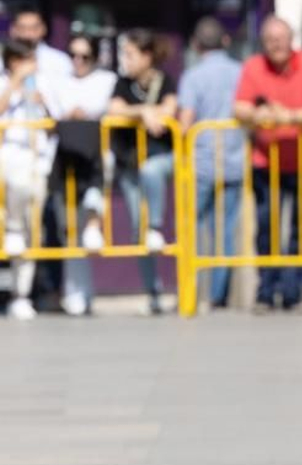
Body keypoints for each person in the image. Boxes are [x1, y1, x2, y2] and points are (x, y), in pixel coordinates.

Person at [232, 16, 302, 313]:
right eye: (270, 39)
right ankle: (266, 291)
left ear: (291, 39)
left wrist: (288, 117)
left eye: (281, 38)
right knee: (266, 229)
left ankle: (294, 292)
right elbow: (239, 107)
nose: (276, 44)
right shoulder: (253, 67)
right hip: (266, 163)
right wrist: (257, 115)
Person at [40, 33, 116, 316]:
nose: (77, 61)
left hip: (94, 161)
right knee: (69, 231)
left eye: (84, 56)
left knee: (88, 225)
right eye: (73, 54)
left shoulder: (106, 80)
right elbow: (59, 110)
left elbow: (97, 107)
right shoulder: (59, 82)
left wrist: (80, 113)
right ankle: (77, 294)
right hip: (64, 162)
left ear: (95, 57)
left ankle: (95, 218)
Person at [107, 29, 178, 315]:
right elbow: (114, 110)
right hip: (129, 164)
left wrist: (143, 111)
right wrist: (144, 112)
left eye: (130, 54)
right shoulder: (122, 83)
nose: (126, 60)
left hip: (160, 159)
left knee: (151, 171)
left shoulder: (166, 80)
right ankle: (153, 291)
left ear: (147, 56)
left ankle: (156, 224)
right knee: (138, 228)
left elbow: (169, 111)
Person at [178, 17, 246, 309]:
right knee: (225, 231)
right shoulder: (241, 72)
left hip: (202, 162)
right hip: (234, 159)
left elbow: (186, 120)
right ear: (226, 42)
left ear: (196, 45)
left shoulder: (193, 77)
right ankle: (218, 295)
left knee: (191, 228)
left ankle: (191, 290)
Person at [1, 41, 50, 319]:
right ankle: (14, 229)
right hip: (7, 160)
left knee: (33, 230)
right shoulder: (4, 82)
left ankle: (21, 294)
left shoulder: (41, 85)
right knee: (14, 227)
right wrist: (15, 83)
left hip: (37, 161)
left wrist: (43, 100)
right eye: (23, 60)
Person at [8, 9, 73, 80]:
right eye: (22, 28)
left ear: (43, 29)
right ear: (13, 29)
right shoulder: (1, 61)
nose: (28, 34)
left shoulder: (60, 60)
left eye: (33, 28)